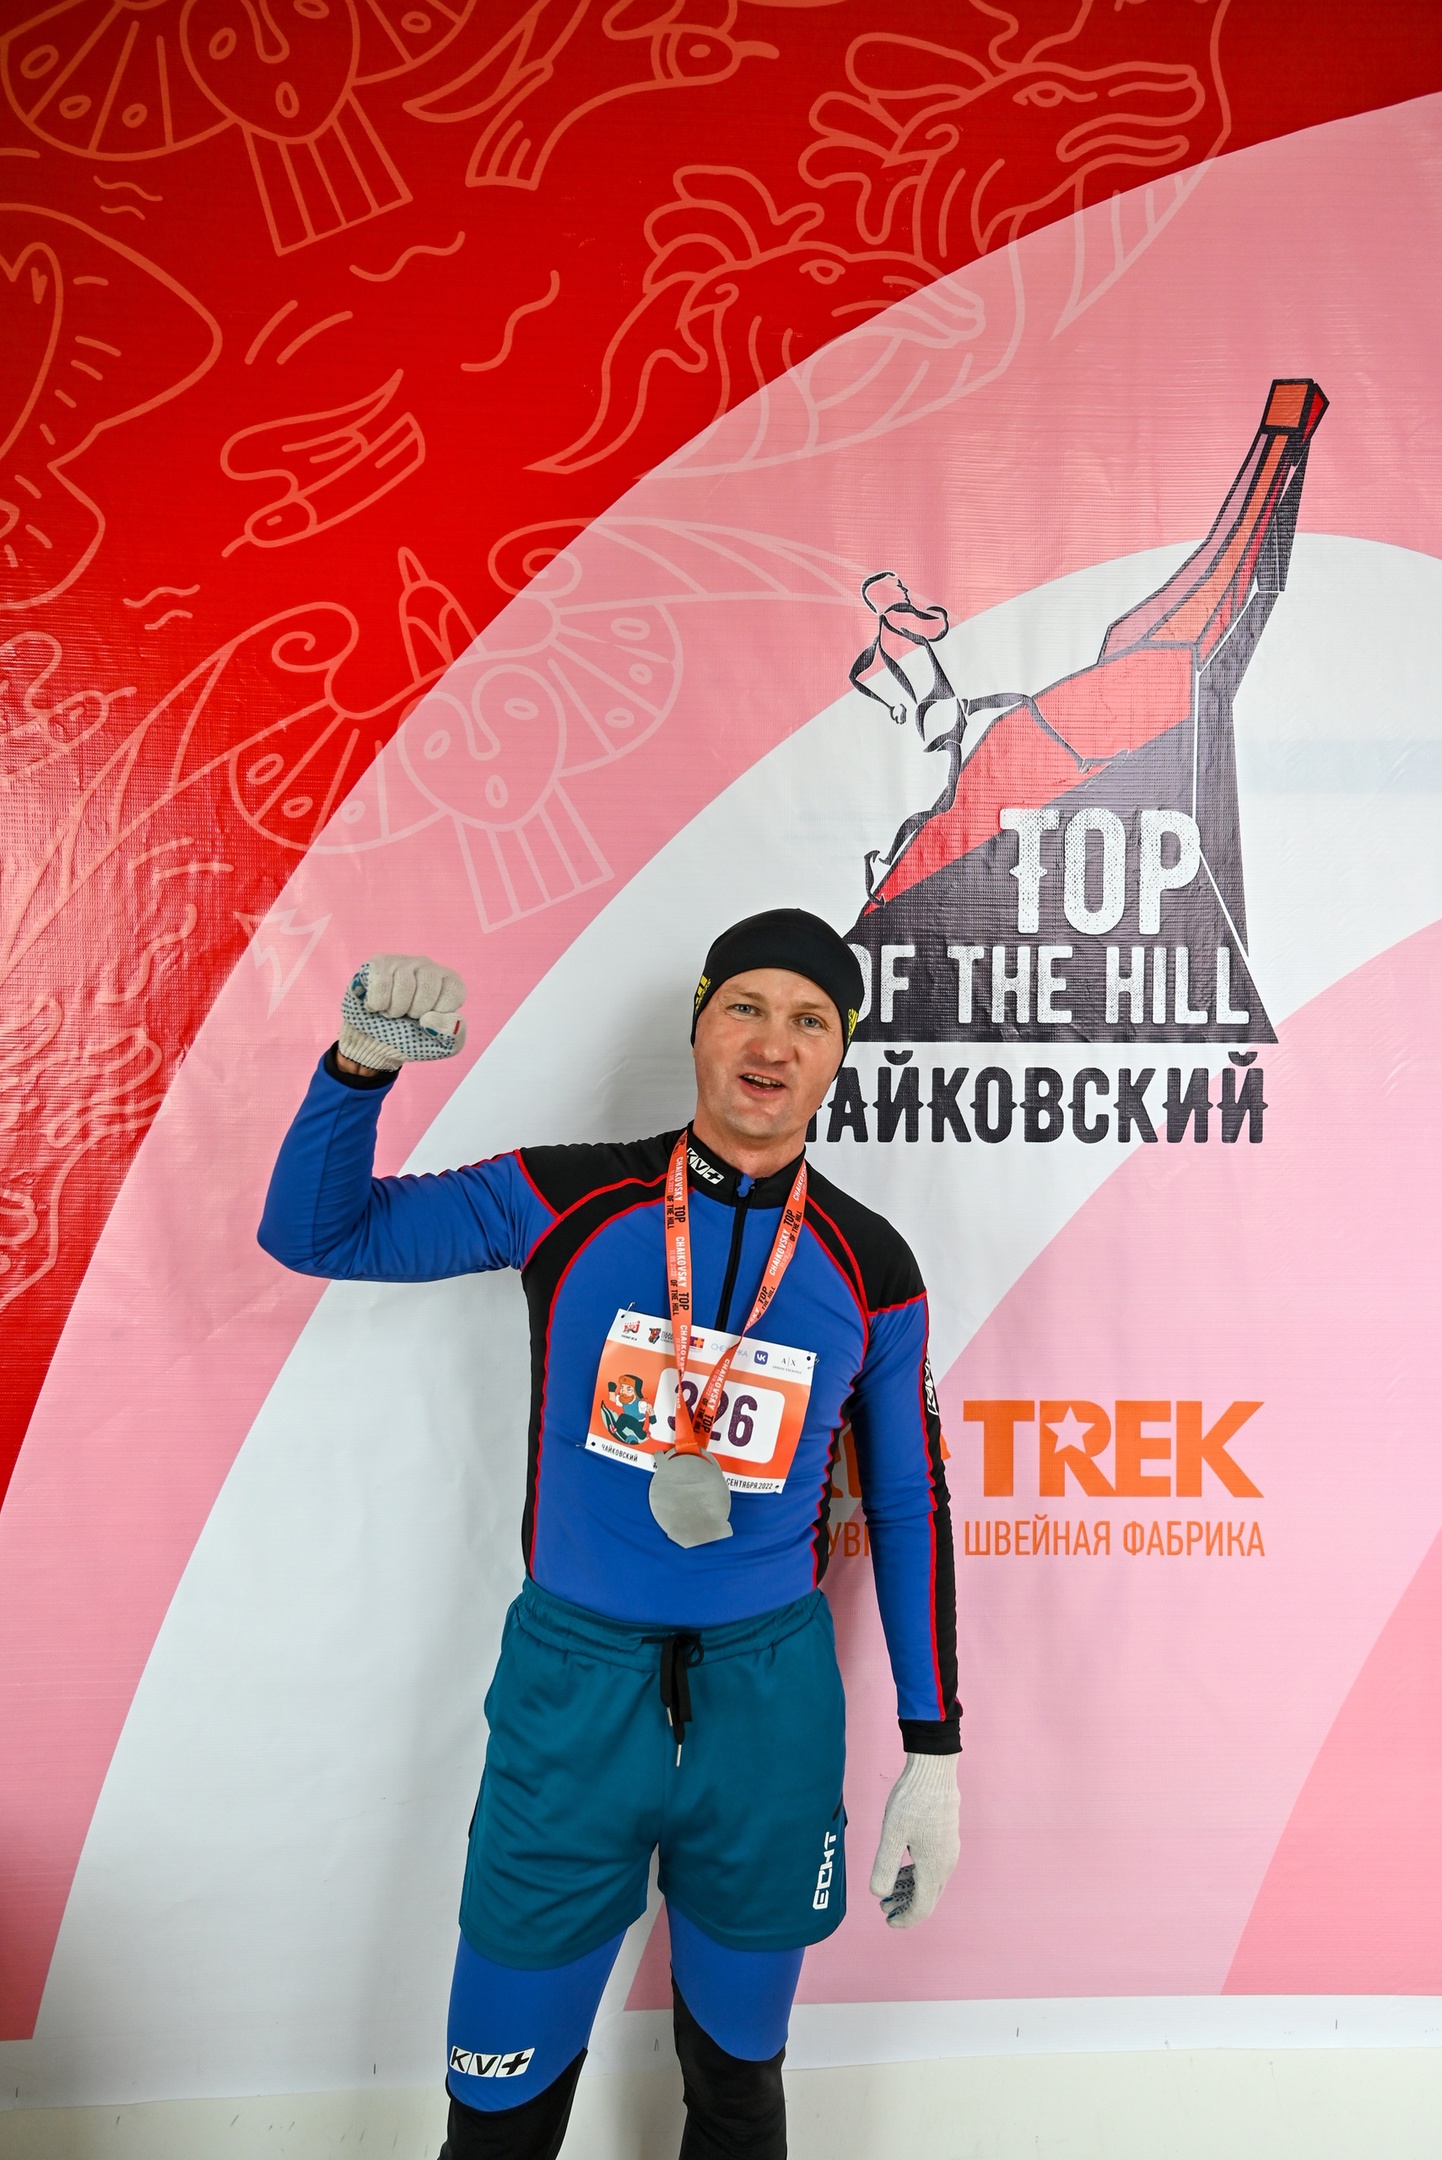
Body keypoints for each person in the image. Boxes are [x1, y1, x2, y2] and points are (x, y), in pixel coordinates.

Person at [258, 910, 961, 2160]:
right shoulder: (568, 1197)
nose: (772, 1043)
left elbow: (906, 1505)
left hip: (769, 1709)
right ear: (698, 1024)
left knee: (738, 2087)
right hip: (572, 1694)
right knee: (497, 2108)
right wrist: (358, 1070)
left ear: (837, 1055)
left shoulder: (871, 1263)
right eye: (745, 1006)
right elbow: (319, 1234)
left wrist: (933, 1749)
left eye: (809, 1020)